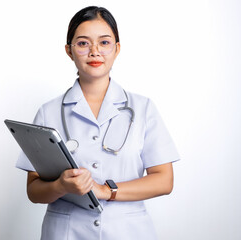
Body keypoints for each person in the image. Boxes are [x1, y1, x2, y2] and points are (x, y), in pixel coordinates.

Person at [16, 6, 179, 240]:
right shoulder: (48, 112)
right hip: (66, 233)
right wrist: (61, 186)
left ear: (117, 49)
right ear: (69, 51)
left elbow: (164, 180)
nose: (94, 52)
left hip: (127, 232)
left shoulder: (143, 108)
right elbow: (33, 190)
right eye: (83, 43)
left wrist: (104, 191)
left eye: (104, 42)